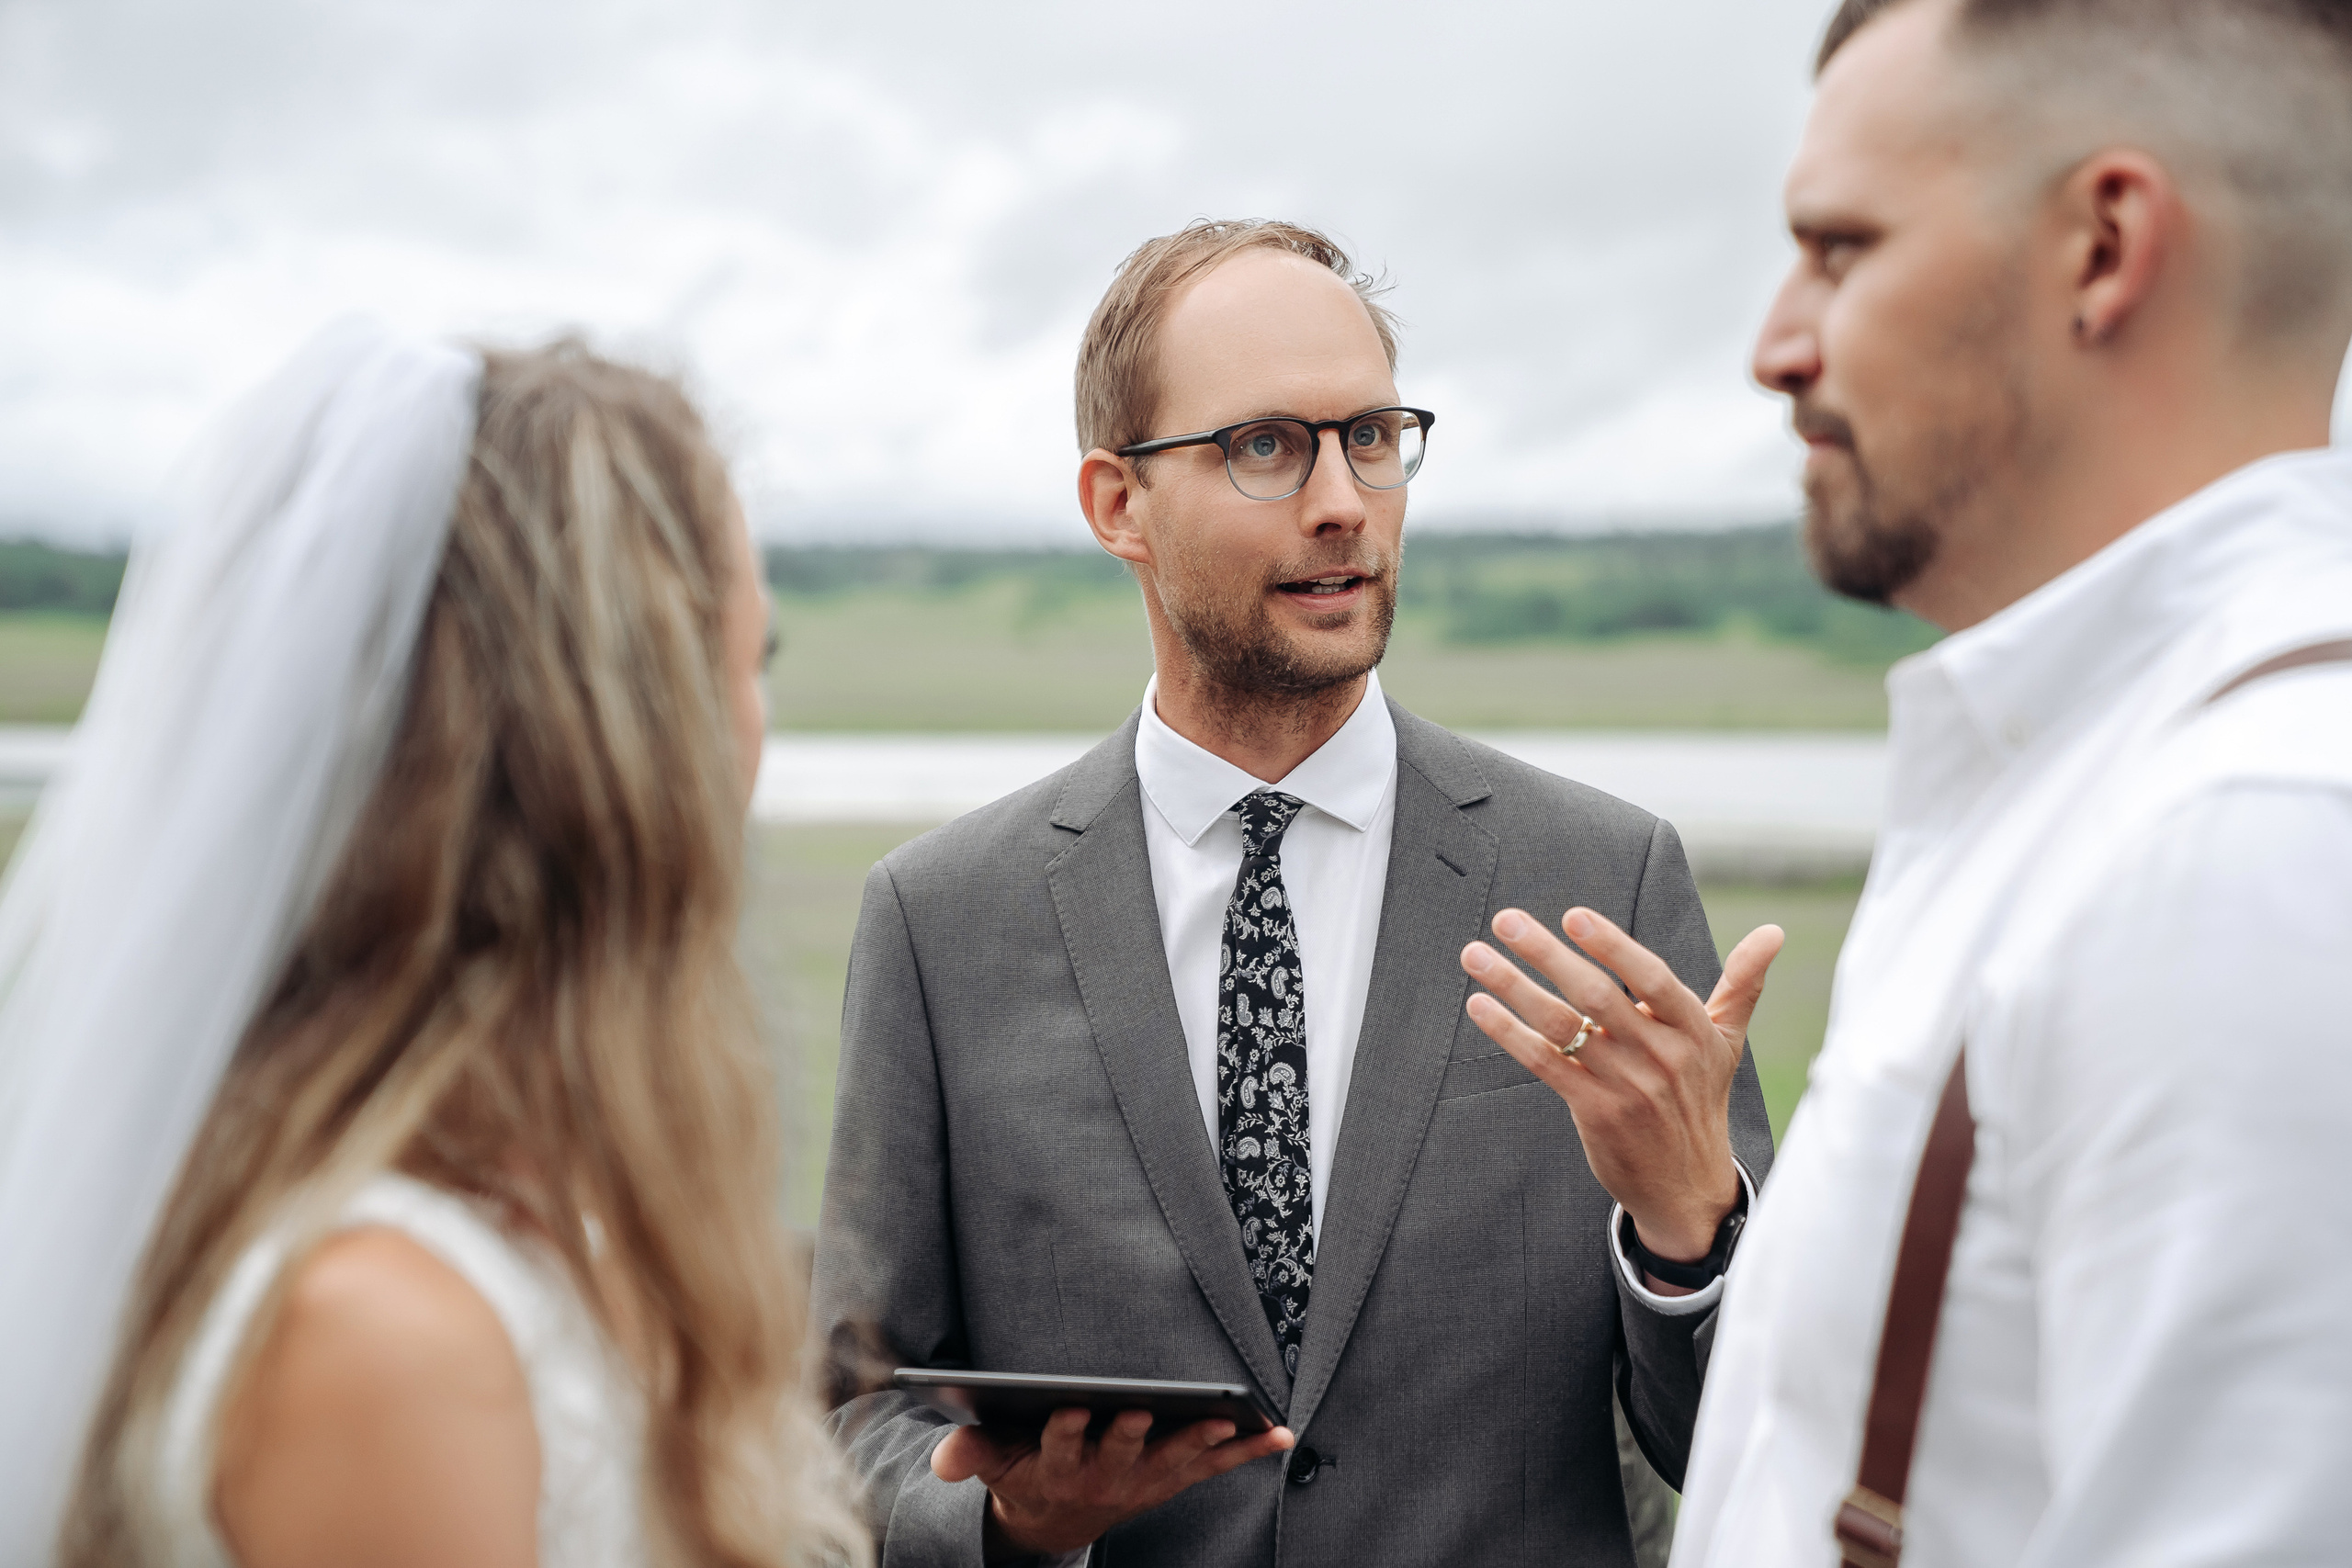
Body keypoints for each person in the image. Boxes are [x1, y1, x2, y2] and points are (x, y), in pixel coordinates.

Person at [1472, 3, 2352, 1563]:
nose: (1775, 346)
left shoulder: (2255, 851)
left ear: (2103, 248)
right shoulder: (2080, 781)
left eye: (1841, 248)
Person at [809, 219, 1784, 1567]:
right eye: (1266, 446)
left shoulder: (1600, 881)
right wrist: (1007, 1523)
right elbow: (852, 1423)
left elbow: (1763, 1443)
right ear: (1117, 505)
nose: (1342, 500)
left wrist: (1690, 1237)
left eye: (1370, 437)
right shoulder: (941, 922)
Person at [0, 324, 868, 1567]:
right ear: (632, 742)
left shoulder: (531, 1221)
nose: (754, 725)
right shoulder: (384, 1337)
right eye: (750, 655)